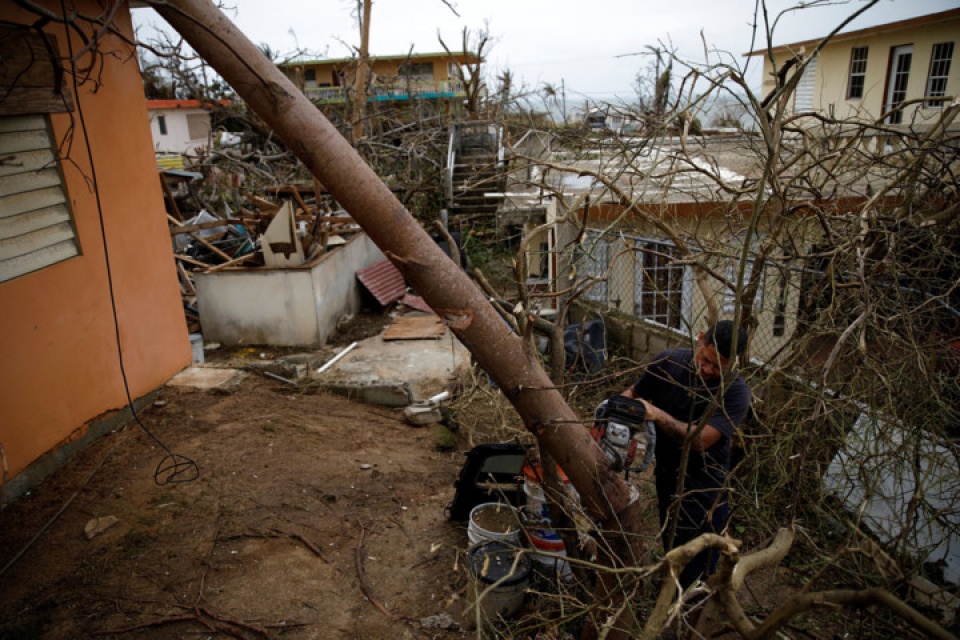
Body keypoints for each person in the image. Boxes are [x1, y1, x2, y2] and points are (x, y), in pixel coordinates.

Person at [622, 320, 751, 589]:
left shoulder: (736, 392)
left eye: (718, 368)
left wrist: (657, 414)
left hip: (705, 486)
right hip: (667, 474)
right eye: (706, 360)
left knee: (700, 561)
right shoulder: (668, 362)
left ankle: (691, 601)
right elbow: (633, 394)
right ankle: (669, 590)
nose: (709, 370)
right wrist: (618, 418)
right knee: (672, 540)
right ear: (700, 339)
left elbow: (700, 441)